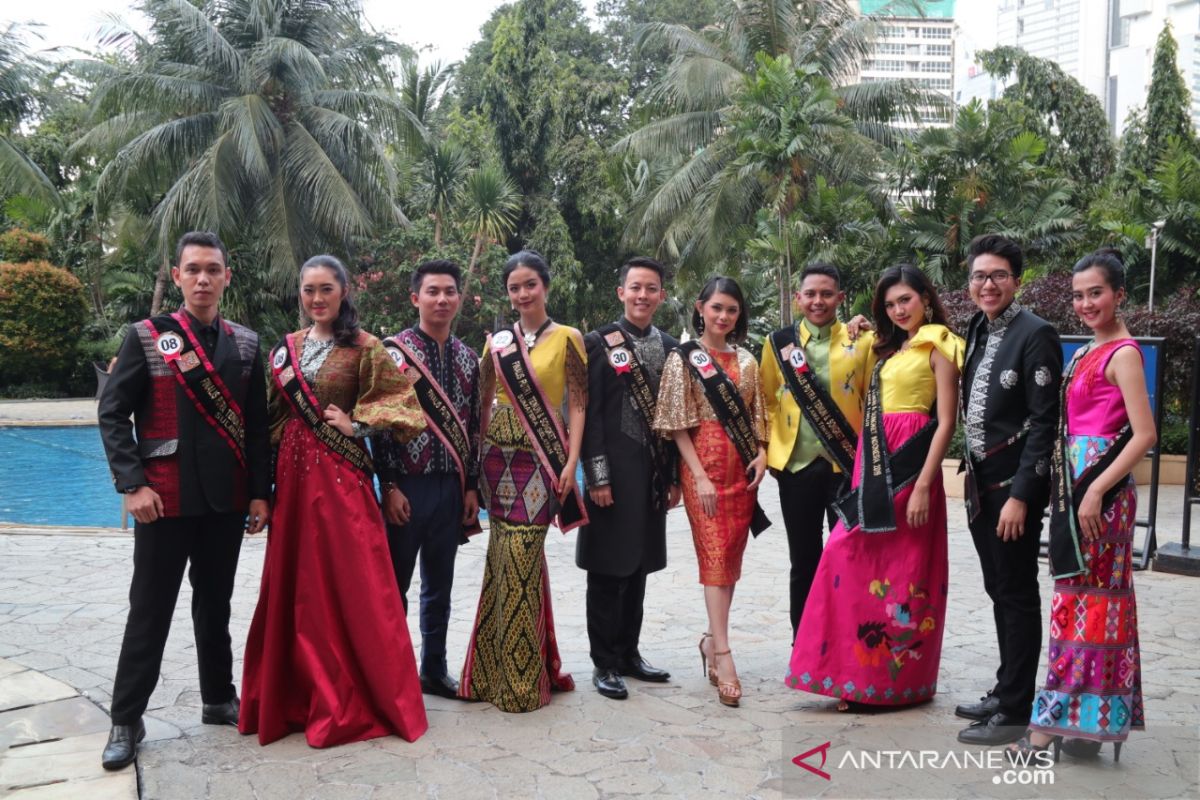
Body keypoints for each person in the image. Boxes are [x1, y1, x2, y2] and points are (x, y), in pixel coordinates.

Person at [97, 231, 272, 770]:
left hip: (224, 503)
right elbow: (112, 413)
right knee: (149, 611)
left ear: (226, 277)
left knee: (214, 605)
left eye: (212, 269)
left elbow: (257, 429)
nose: (203, 278)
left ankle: (218, 699)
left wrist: (260, 494)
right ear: (177, 276)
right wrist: (132, 485)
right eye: (192, 269)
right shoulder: (146, 337)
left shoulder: (245, 344)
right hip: (162, 501)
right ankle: (126, 718)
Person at [239, 255, 429, 748]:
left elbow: (405, 407)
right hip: (294, 481)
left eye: (327, 289)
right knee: (298, 585)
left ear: (344, 291)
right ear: (300, 294)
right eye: (309, 290)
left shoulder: (365, 348)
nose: (317, 298)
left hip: (341, 480)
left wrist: (358, 424)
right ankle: (295, 694)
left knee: (353, 582)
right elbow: (272, 421)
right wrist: (261, 490)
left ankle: (359, 693)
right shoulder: (286, 350)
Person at [786, 265, 961, 712]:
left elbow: (946, 422)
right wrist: (856, 325)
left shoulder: (939, 343)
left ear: (925, 296)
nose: (899, 310)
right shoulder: (890, 346)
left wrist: (924, 482)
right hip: (874, 459)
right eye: (890, 304)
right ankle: (853, 677)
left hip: (908, 466)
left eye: (906, 300)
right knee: (860, 565)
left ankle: (890, 682)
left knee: (894, 571)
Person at [1008, 249, 1153, 764]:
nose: (1086, 302)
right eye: (1078, 294)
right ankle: (1086, 721)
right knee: (1082, 606)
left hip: (1102, 494)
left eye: (1097, 292)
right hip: (1076, 488)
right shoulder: (1084, 351)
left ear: (1119, 294)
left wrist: (1095, 489)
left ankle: (1050, 728)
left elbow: (1145, 434)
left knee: (1088, 608)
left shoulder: (1125, 354)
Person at [459, 250, 587, 712]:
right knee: (501, 562)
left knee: (523, 556)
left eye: (530, 284)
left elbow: (577, 404)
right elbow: (483, 403)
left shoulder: (570, 338)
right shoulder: (498, 344)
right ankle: (492, 673)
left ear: (545, 286)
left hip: (541, 460)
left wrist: (571, 462)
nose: (522, 293)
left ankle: (522, 680)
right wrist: (474, 467)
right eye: (515, 287)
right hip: (497, 461)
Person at [955, 235, 1063, 746]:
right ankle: (1006, 689)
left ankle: (1017, 711)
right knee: (998, 588)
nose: (988, 284)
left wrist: (1023, 494)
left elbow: (1045, 422)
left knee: (1017, 593)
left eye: (998, 275)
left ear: (1017, 280)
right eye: (979, 276)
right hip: (980, 484)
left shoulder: (1036, 333)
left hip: (1014, 488)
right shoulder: (977, 326)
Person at [653, 276, 768, 708]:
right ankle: (723, 654)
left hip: (741, 469)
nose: (723, 316)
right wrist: (698, 475)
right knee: (714, 558)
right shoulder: (683, 360)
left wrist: (761, 453)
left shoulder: (749, 361)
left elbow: (758, 416)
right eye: (716, 307)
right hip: (701, 466)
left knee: (730, 561)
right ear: (700, 307)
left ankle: (709, 639)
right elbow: (676, 422)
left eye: (732, 310)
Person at [371, 260, 482, 700]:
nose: (441, 299)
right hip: (407, 488)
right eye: (432, 291)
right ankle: (391, 673)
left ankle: (433, 668)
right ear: (415, 297)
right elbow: (379, 423)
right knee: (393, 586)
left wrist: (471, 485)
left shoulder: (468, 358)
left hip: (450, 487)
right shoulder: (391, 353)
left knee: (440, 585)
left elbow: (473, 425)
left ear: (458, 299)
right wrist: (390, 485)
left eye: (449, 292)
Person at [577, 256, 681, 700]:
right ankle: (604, 662)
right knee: (606, 569)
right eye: (635, 287)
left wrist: (673, 475)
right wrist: (596, 476)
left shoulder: (673, 345)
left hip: (653, 472)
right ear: (620, 292)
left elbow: (678, 417)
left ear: (661, 294)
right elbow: (587, 416)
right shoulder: (598, 343)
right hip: (612, 473)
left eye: (651, 288)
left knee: (637, 565)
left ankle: (629, 654)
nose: (642, 295)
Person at [760, 263, 874, 640]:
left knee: (848, 557)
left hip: (846, 464)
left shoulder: (862, 340)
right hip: (797, 466)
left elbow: (874, 396)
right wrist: (775, 448)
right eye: (810, 294)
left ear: (840, 298)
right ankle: (805, 641)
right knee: (803, 559)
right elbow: (767, 400)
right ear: (798, 298)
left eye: (827, 294)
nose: (818, 301)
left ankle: (846, 642)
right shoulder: (778, 343)